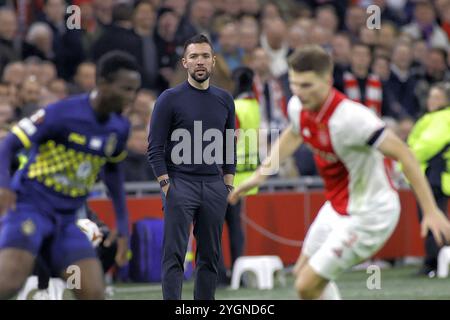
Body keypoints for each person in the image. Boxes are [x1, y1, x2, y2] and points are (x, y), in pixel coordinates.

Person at [229, 45, 450, 300]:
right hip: (336, 207)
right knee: (303, 276)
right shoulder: (298, 106)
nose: (299, 93)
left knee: (306, 286)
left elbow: (405, 154)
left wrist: (431, 211)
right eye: (295, 84)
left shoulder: (352, 118)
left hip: (370, 213)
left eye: (307, 85)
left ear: (327, 79)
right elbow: (293, 133)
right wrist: (260, 175)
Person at [0, 51, 141, 300]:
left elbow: (113, 173)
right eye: (125, 89)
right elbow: (8, 145)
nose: (130, 97)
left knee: (93, 293)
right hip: (30, 207)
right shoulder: (61, 113)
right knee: (10, 282)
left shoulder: (119, 127)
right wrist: (5, 187)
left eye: (134, 90)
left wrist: (121, 223)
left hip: (67, 221)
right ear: (103, 83)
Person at [147, 34, 236, 300]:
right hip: (179, 183)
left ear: (213, 61)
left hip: (213, 184)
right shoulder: (169, 98)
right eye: (194, 56)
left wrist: (227, 186)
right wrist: (166, 185)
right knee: (174, 255)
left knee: (210, 258)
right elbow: (154, 148)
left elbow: (228, 146)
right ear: (184, 62)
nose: (200, 61)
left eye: (205, 56)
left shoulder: (224, 100)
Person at [218, 66, 261, 285]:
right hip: (247, 176)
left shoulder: (235, 107)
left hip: (229, 175)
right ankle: (238, 272)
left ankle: (219, 275)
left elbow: (228, 140)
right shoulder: (255, 106)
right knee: (235, 226)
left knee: (214, 225)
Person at [407, 82, 450, 277]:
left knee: (432, 218)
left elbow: (426, 145)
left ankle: (433, 263)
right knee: (432, 217)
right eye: (431, 96)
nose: (432, 100)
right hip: (432, 175)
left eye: (437, 97)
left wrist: (405, 159)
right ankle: (435, 261)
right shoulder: (432, 117)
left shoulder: (441, 118)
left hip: (435, 176)